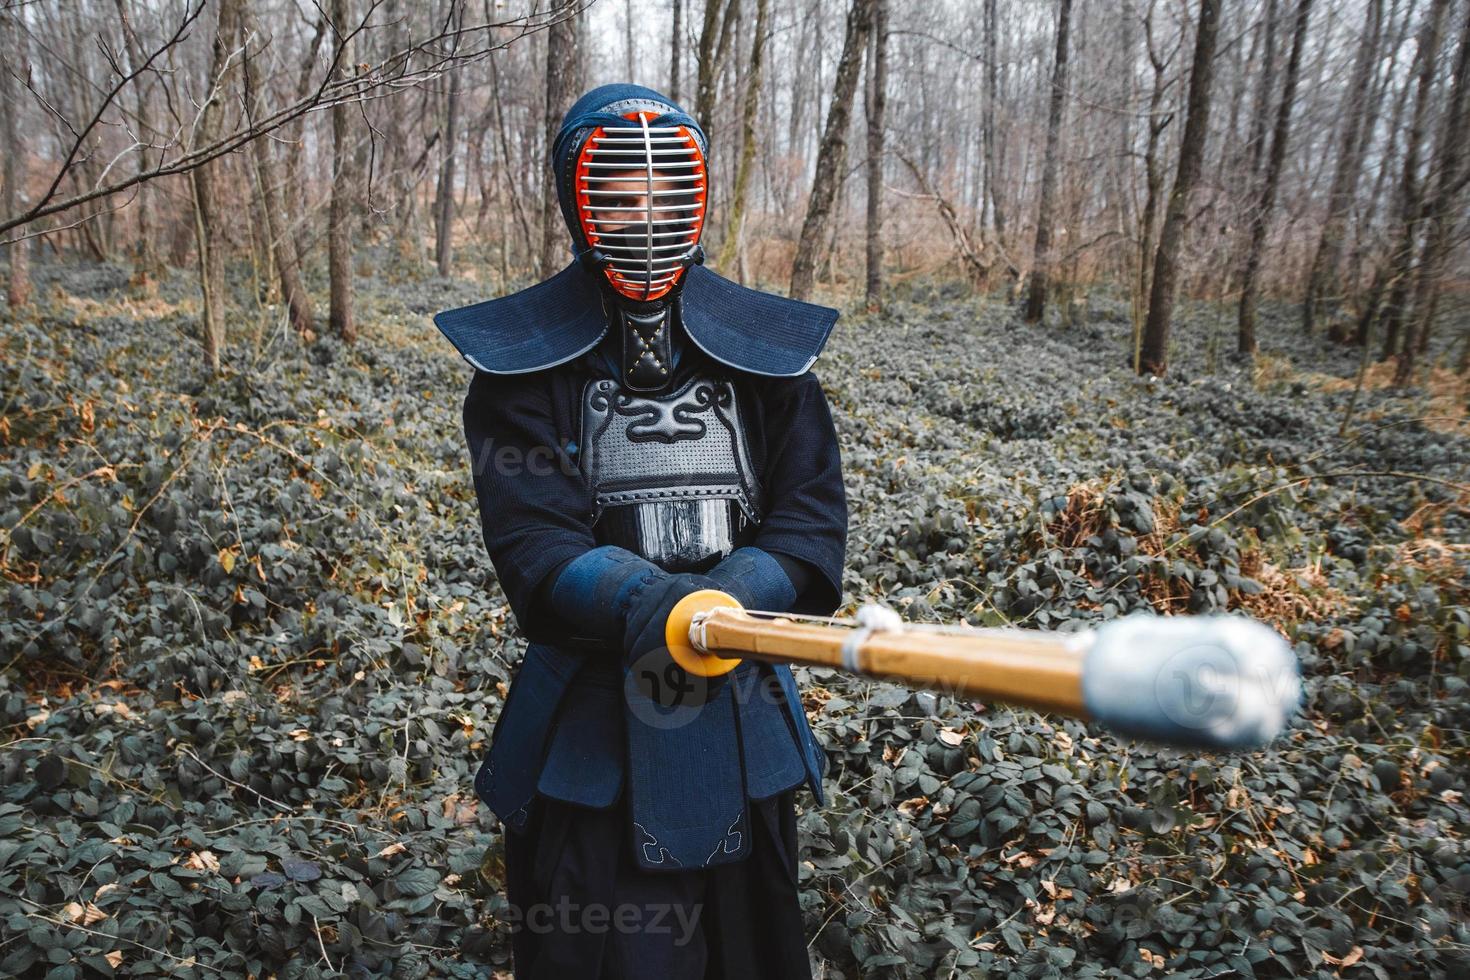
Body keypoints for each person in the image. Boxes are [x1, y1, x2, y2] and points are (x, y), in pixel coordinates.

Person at [433, 83, 847, 979]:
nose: (645, 216)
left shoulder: (769, 355)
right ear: (580, 205)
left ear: (696, 198)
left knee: (752, 953)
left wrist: (733, 598)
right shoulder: (521, 367)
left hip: (742, 715)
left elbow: (810, 520)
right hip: (588, 725)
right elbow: (534, 546)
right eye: (620, 196)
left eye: (663, 194)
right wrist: (656, 601)